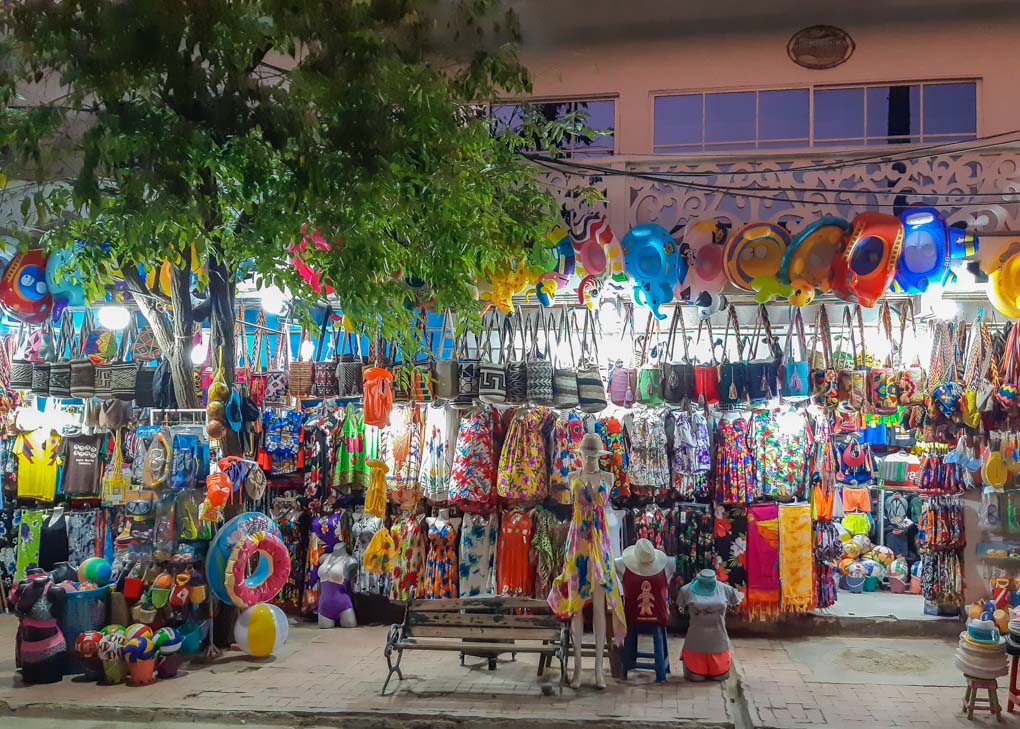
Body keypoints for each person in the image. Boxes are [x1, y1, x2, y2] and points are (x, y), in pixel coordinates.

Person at [548, 433, 626, 689]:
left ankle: (599, 671)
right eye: (587, 455)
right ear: (581, 455)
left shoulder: (608, 478)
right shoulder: (572, 478)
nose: (590, 459)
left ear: (599, 456)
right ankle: (578, 669)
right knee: (576, 606)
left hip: (601, 543)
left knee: (600, 606)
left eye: (594, 455)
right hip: (578, 543)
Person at [675, 569, 743, 681]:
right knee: (696, 677)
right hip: (695, 649)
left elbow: (736, 606)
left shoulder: (725, 589)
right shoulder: (686, 590)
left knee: (720, 675)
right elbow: (678, 607)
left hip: (719, 647)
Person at [317, 543, 358, 628]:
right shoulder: (323, 558)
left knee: (348, 636)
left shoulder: (350, 561)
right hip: (323, 606)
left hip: (343, 606)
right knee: (326, 636)